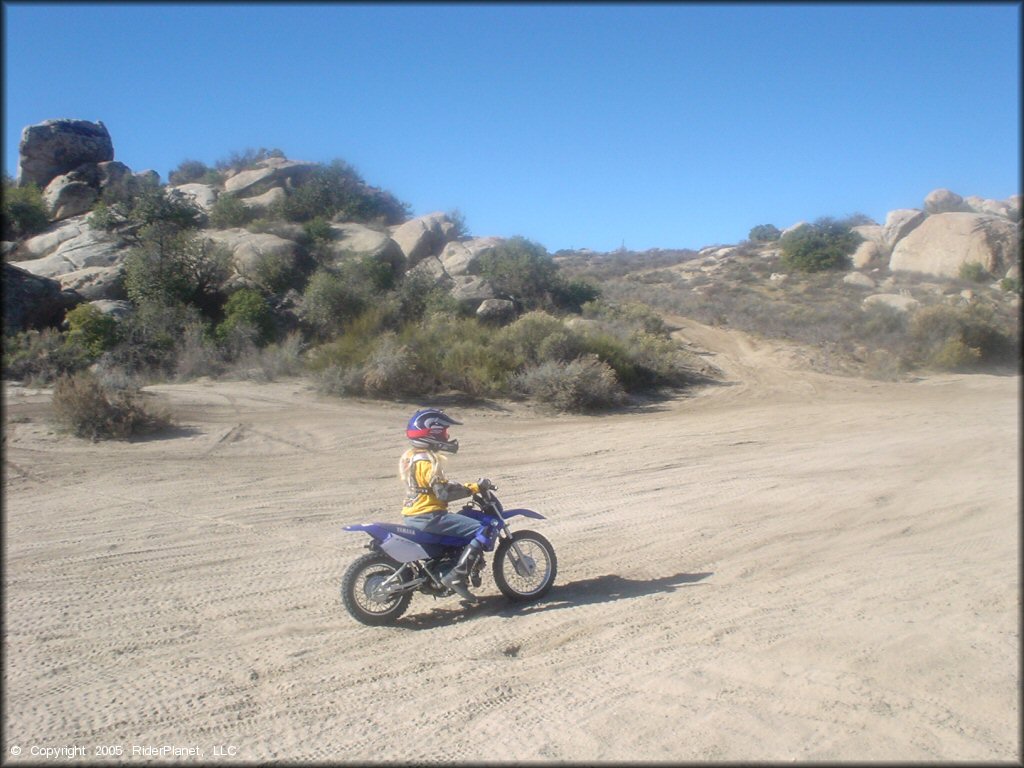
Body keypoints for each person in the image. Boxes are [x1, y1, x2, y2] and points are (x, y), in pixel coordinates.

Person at [399, 408, 492, 602]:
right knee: (483, 529)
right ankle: (456, 576)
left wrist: (466, 486)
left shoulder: (410, 456)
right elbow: (443, 493)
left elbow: (431, 486)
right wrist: (472, 489)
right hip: (430, 516)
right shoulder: (428, 461)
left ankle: (447, 566)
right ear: (431, 433)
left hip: (411, 514)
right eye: (443, 432)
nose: (447, 436)